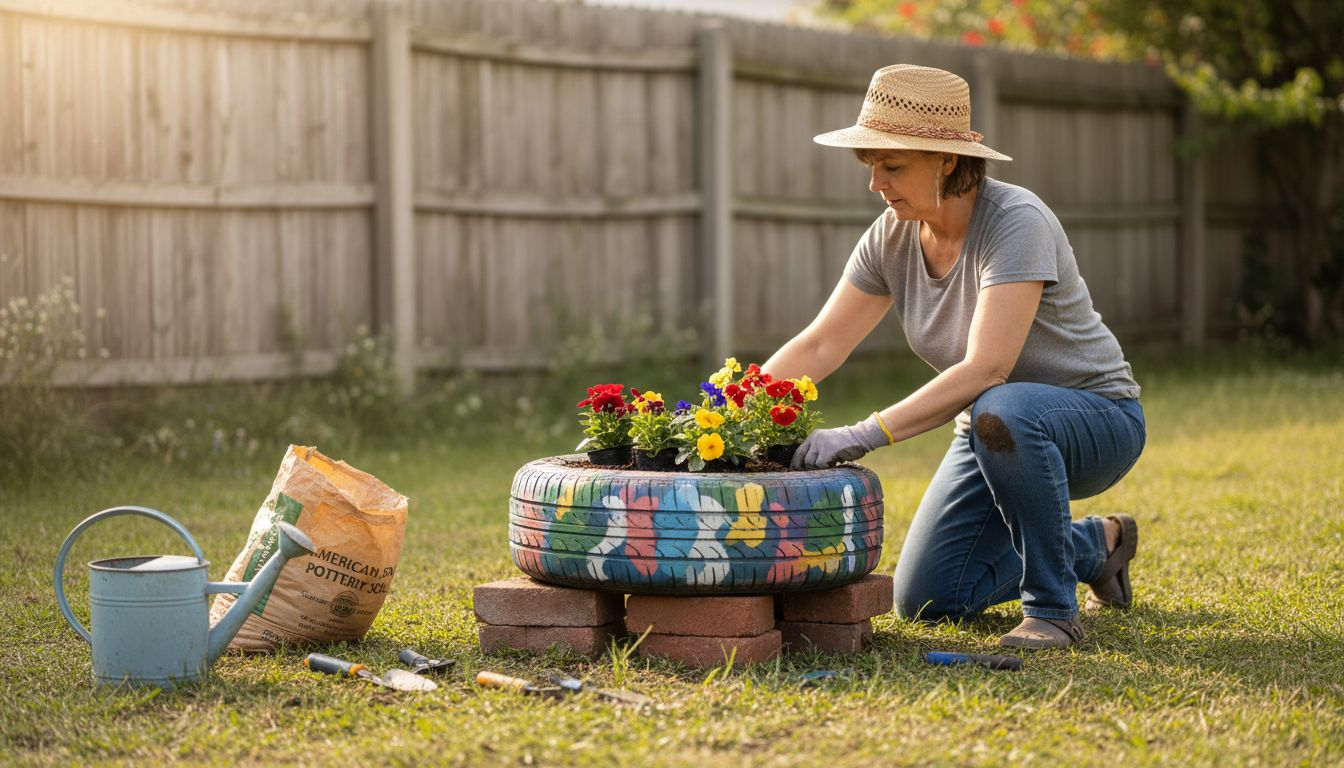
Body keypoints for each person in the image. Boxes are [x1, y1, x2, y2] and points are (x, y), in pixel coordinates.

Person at [761, 64, 1145, 649]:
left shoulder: (1015, 222)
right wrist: (729, 409)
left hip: (1096, 420)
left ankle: (1051, 611)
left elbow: (987, 367)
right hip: (991, 430)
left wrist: (865, 432)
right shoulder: (891, 236)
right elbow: (821, 343)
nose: (876, 185)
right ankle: (1098, 546)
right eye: (871, 167)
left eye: (892, 167)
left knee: (1003, 402)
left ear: (945, 160)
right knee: (931, 597)